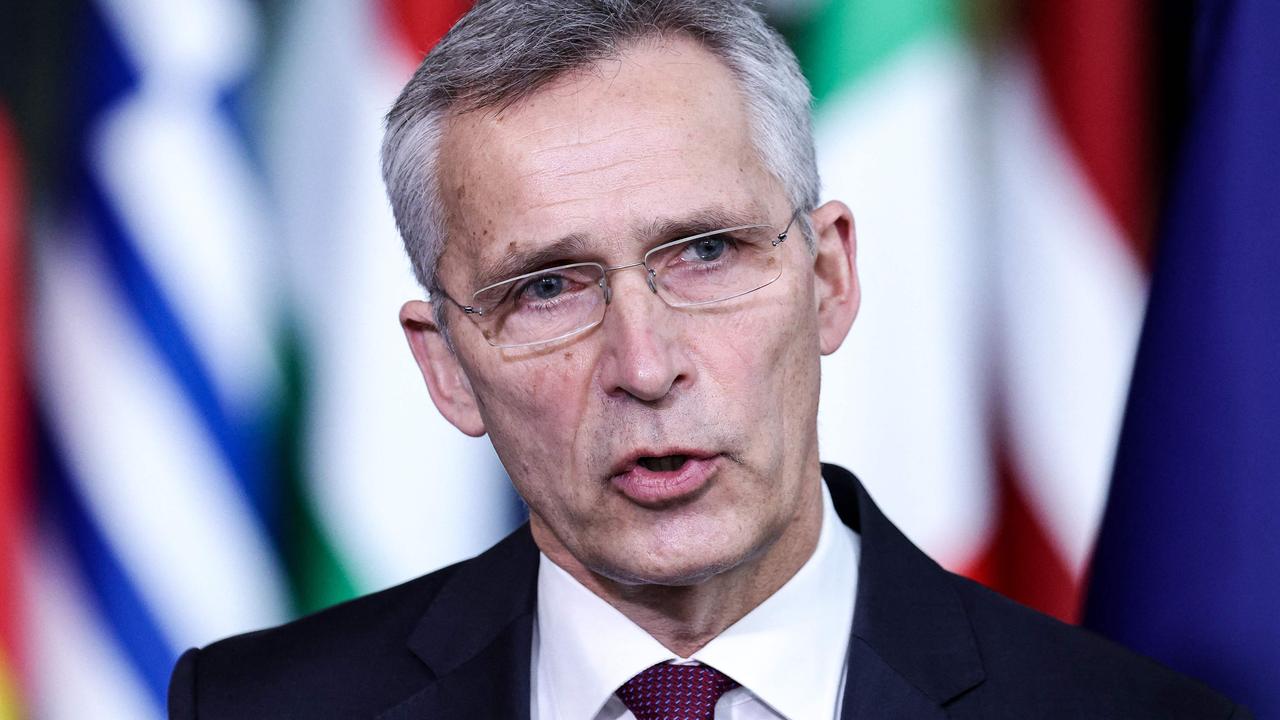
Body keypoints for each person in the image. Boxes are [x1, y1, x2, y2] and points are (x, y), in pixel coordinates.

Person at [168, 1, 1249, 718]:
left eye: (703, 253)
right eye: (545, 287)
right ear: (446, 364)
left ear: (827, 276)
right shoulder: (259, 707)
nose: (644, 364)